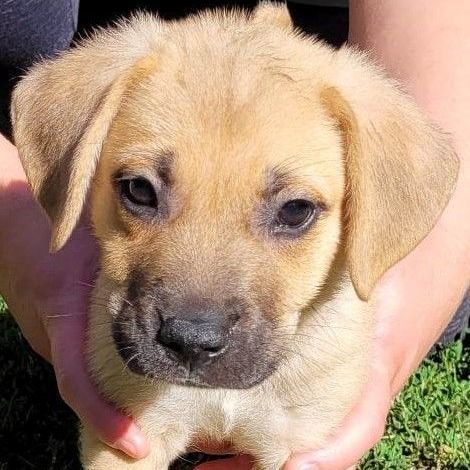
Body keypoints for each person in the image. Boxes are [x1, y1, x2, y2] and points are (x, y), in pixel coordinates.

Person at [0, 1, 468, 468]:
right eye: (141, 192)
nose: (195, 327)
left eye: (293, 212)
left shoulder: (365, 129)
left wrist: (407, 309)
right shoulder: (117, 85)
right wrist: (23, 236)